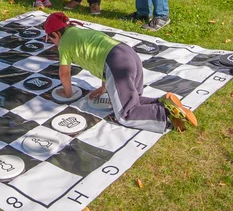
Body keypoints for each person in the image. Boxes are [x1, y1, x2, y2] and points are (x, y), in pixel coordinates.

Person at [44, 12, 197, 133]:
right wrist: (104, 88)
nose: (54, 44)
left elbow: (64, 73)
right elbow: (100, 56)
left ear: (56, 35)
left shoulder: (64, 43)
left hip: (117, 63)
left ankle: (165, 113)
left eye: (52, 39)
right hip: (128, 54)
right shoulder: (78, 32)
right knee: (134, 99)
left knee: (126, 114)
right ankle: (163, 101)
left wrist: (68, 93)